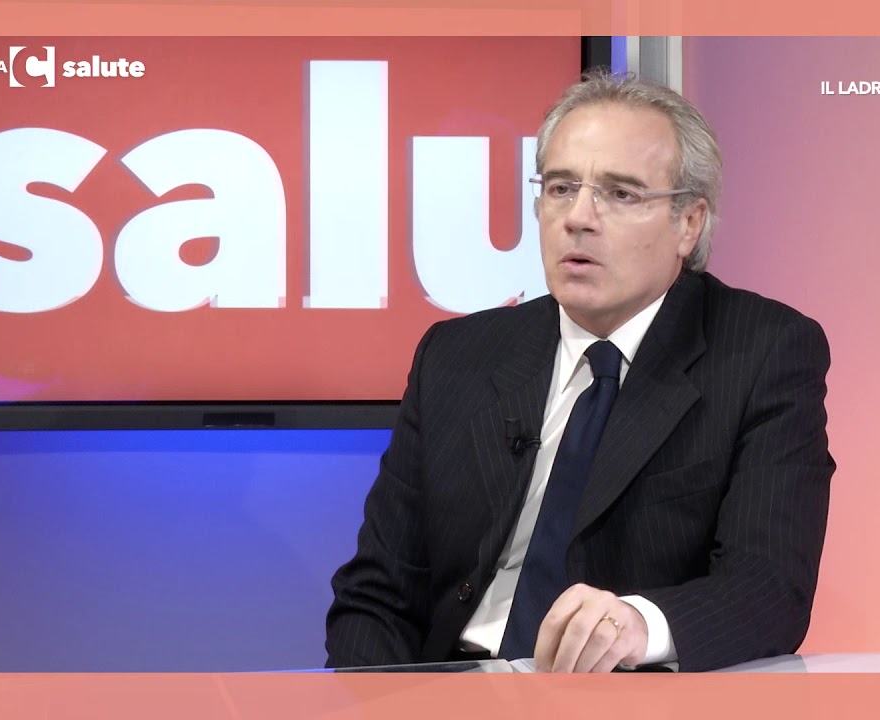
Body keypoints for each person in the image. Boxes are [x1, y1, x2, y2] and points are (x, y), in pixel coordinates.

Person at [324, 69, 834, 673]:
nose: (579, 217)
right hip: (450, 686)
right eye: (561, 188)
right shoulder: (456, 355)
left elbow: (769, 587)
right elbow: (376, 596)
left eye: (621, 194)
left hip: (625, 692)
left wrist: (639, 625)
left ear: (688, 224)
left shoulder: (762, 352)